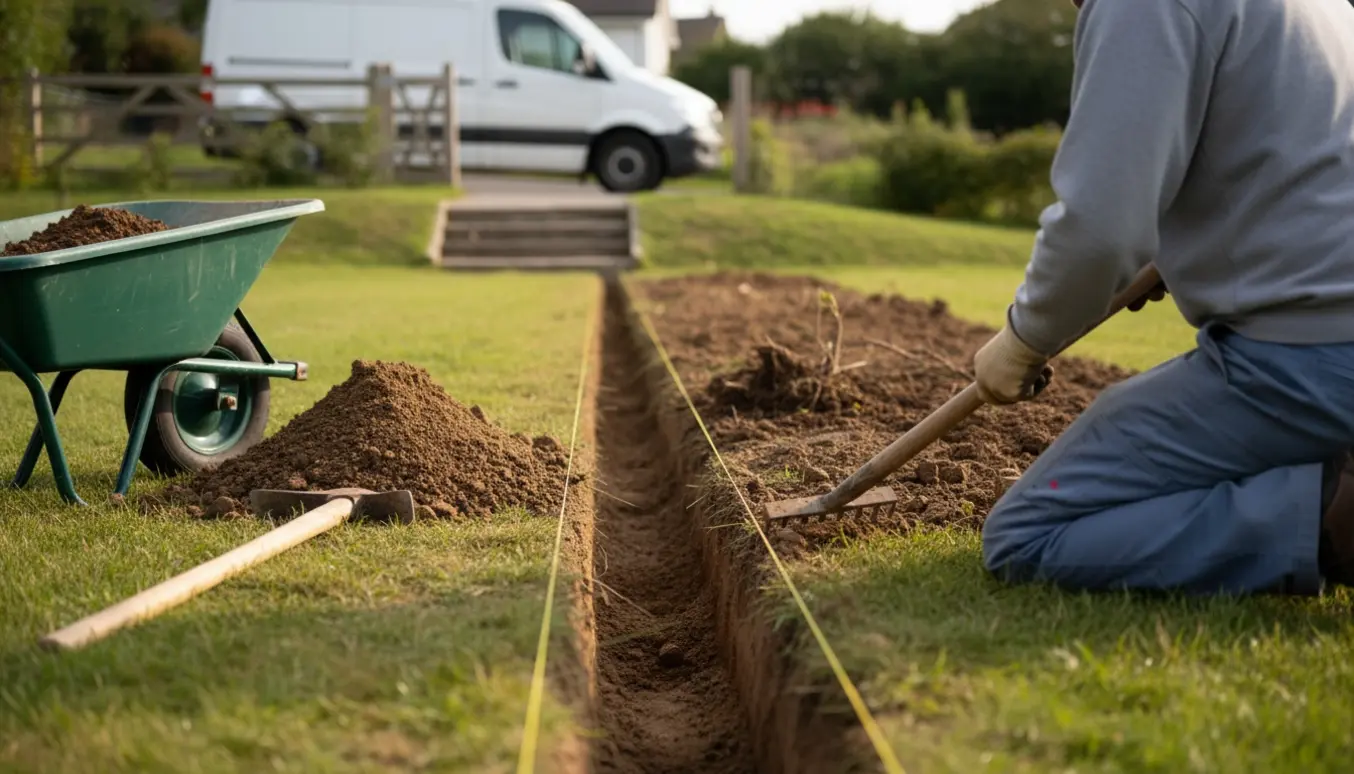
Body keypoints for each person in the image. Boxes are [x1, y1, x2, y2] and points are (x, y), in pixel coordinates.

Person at [973, 0, 1354, 596]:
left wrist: (1025, 341)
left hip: (1310, 357)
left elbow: (1098, 231)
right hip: (1328, 336)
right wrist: (1186, 253)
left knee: (1028, 533)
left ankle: (1333, 521)